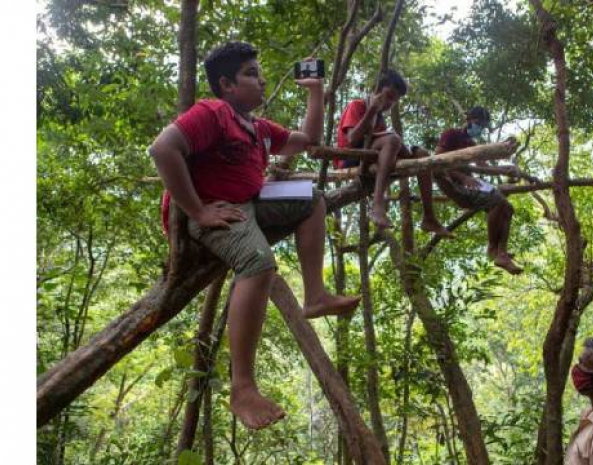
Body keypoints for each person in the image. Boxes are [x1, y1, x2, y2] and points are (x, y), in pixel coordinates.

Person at [148, 42, 360, 430]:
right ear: (226, 84)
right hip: (216, 209)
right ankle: (242, 387)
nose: (261, 80)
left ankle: (314, 296)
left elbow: (307, 140)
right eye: (250, 73)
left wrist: (314, 91)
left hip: (248, 201)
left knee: (313, 198)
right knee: (258, 262)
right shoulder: (213, 113)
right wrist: (196, 210)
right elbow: (164, 149)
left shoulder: (258, 128)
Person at [336, 70, 451, 236]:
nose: (391, 102)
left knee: (423, 154)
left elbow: (385, 146)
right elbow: (352, 139)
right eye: (389, 96)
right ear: (377, 91)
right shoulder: (358, 105)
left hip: (372, 157)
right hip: (351, 158)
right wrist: (371, 111)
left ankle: (429, 216)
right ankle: (377, 203)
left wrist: (410, 151)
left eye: (395, 100)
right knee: (393, 139)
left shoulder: (381, 119)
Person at [433, 106, 522, 274]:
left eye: (483, 125)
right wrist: (463, 177)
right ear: (468, 120)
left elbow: (484, 166)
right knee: (496, 201)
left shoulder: (471, 143)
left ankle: (501, 253)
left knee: (508, 208)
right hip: (454, 184)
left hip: (469, 183)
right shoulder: (451, 134)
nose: (480, 128)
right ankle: (492, 249)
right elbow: (436, 163)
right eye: (478, 123)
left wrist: (506, 169)